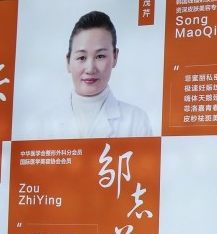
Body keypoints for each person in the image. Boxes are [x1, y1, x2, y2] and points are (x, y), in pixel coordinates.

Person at [28, 11, 152, 139]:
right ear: (68, 61)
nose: (90, 69)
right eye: (82, 57)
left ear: (115, 57)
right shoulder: (42, 125)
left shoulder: (136, 121)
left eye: (100, 56)